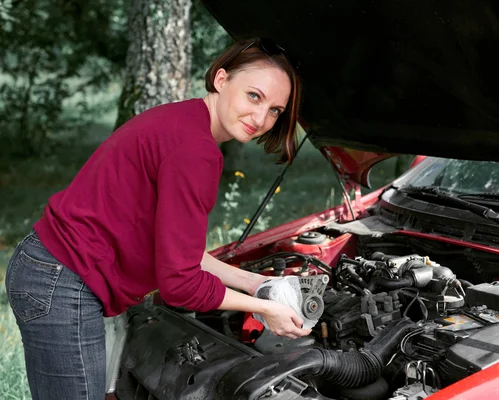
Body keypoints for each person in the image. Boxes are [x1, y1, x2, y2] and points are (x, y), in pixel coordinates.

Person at [4, 37, 310, 400]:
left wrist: (254, 282)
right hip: (63, 281)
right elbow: (179, 284)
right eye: (254, 97)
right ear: (222, 79)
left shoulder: (183, 120)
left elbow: (179, 251)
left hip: (51, 268)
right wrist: (263, 308)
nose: (261, 119)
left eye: (275, 110)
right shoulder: (195, 151)